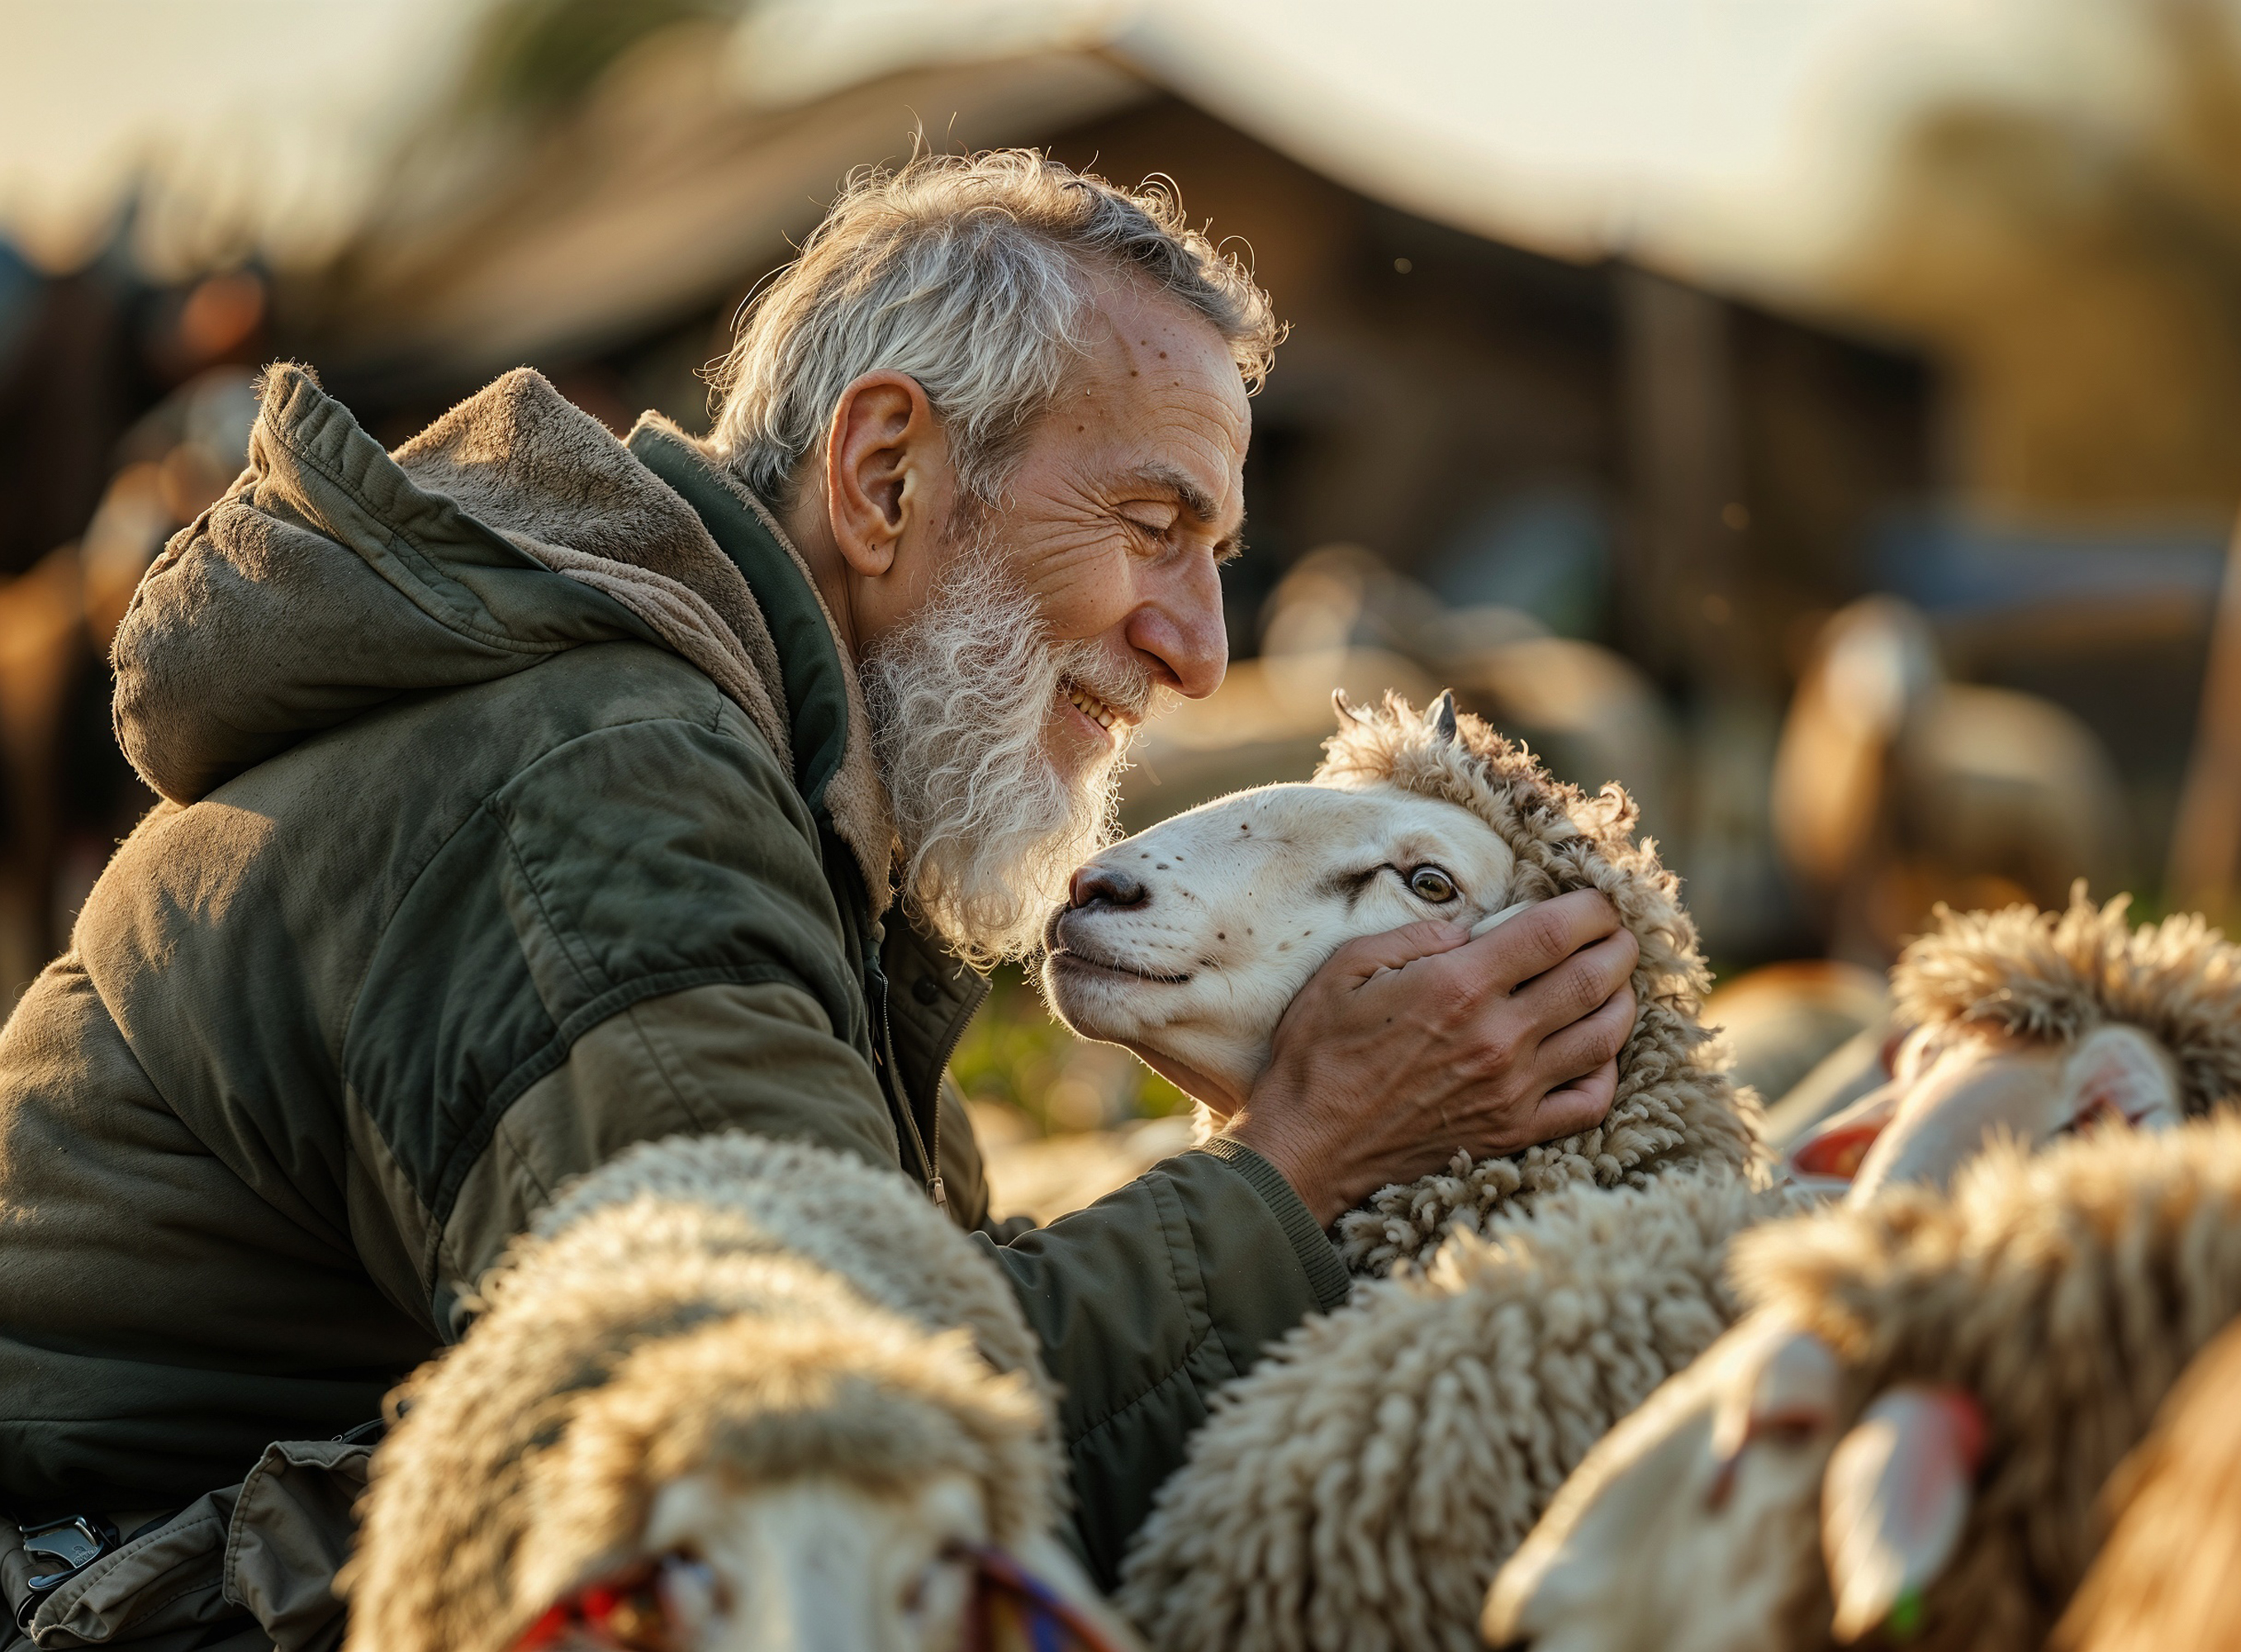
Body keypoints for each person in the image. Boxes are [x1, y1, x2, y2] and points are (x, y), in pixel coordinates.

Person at [0, 151, 1638, 1650]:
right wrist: (1307, 1157)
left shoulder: (775, 799)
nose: (1203, 650)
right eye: (1155, 527)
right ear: (884, 476)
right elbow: (826, 1443)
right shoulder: (602, 790)